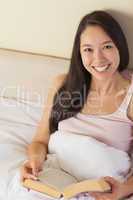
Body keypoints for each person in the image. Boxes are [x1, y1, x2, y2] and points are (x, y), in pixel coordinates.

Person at [20, 10, 133, 200]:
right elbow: (39, 141)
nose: (98, 59)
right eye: (88, 49)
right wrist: (34, 161)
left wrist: (125, 189)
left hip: (101, 186)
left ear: (119, 46)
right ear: (79, 53)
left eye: (107, 46)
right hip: (58, 178)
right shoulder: (62, 85)